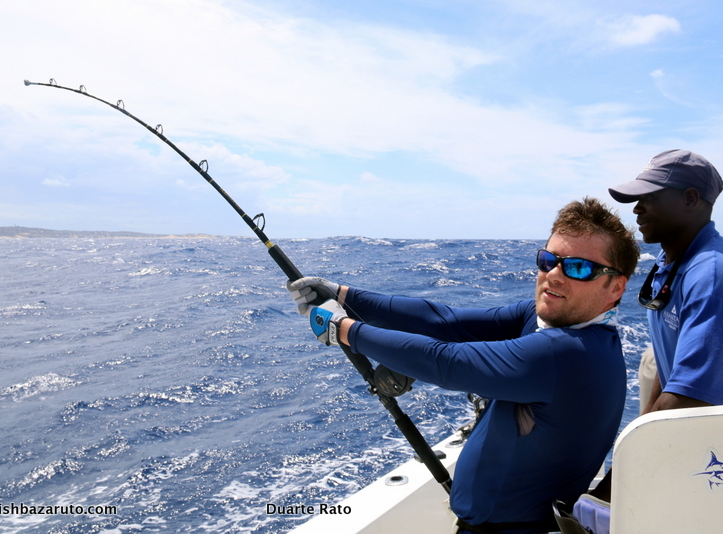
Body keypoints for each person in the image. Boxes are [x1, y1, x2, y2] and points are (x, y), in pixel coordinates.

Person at [288, 198, 640, 534]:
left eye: (579, 268)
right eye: (549, 259)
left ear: (615, 287)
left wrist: (343, 330)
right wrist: (345, 294)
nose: (555, 275)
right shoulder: (549, 318)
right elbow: (446, 321)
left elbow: (445, 361)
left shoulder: (570, 354)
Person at [608, 149, 723, 412]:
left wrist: (640, 446)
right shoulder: (670, 260)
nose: (636, 208)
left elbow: (690, 394)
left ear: (690, 199)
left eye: (648, 197)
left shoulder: (711, 275)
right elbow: (675, 358)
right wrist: (646, 417)